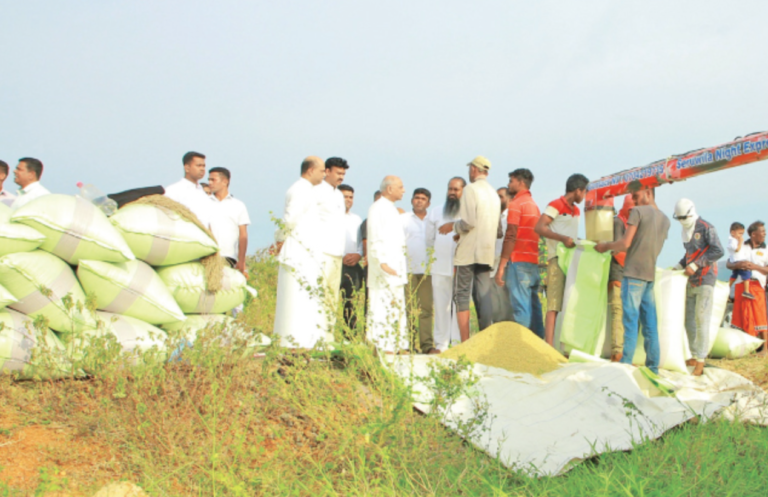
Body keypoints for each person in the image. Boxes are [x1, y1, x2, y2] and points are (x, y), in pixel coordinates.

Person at [596, 188, 670, 375]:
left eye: (636, 196)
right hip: (649, 275)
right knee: (650, 325)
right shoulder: (665, 219)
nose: (635, 202)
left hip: (632, 274)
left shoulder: (638, 212)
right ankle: (653, 368)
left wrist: (605, 246)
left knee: (629, 323)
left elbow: (625, 243)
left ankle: (625, 367)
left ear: (647, 192)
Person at [273, 156, 327, 348]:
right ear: (310, 170)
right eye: (322, 170)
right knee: (295, 296)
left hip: (307, 251)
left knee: (306, 296)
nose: (324, 174)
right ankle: (291, 340)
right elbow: (289, 219)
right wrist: (279, 239)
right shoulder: (299, 189)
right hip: (297, 251)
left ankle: (305, 339)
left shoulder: (308, 190)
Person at [534, 174, 589, 346]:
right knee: (553, 304)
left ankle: (564, 346)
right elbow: (539, 227)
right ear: (578, 190)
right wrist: (563, 238)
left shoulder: (577, 211)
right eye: (584, 191)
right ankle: (548, 345)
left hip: (572, 261)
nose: (585, 196)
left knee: (569, 304)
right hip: (556, 259)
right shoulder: (555, 205)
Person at [672, 198, 724, 376]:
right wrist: (680, 266)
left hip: (705, 279)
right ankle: (694, 354)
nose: (682, 221)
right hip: (691, 281)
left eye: (683, 217)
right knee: (689, 319)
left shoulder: (705, 227)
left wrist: (696, 265)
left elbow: (718, 250)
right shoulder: (685, 231)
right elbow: (689, 254)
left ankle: (701, 360)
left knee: (702, 320)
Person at [453, 156, 501, 341]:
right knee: (484, 295)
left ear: (474, 169)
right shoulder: (494, 194)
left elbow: (468, 222)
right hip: (486, 251)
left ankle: (466, 343)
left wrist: (454, 227)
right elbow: (498, 230)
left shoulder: (470, 189)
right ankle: (484, 341)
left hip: (469, 251)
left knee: (462, 295)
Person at [495, 169, 544, 338]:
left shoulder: (516, 204)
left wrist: (501, 265)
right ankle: (540, 346)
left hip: (518, 261)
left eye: (511, 181)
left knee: (520, 308)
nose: (509, 184)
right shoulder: (534, 205)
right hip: (532, 261)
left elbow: (511, 235)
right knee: (534, 307)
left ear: (520, 182)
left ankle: (522, 350)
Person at [367, 175, 409, 353]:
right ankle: (381, 345)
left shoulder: (391, 209)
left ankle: (397, 344)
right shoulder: (377, 208)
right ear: (390, 189)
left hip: (396, 267)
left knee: (396, 306)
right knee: (381, 306)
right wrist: (381, 263)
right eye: (400, 187)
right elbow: (375, 237)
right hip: (384, 268)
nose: (403, 190)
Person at [426, 178, 465, 352]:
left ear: (463, 191)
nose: (452, 192)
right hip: (439, 266)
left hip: (461, 266)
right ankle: (441, 344)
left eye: (456, 189)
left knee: (459, 306)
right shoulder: (435, 212)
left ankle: (457, 344)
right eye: (450, 189)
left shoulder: (468, 212)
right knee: (441, 306)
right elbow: (429, 239)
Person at [315, 157, 349, 324]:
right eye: (338, 173)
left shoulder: (338, 195)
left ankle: (326, 336)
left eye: (343, 174)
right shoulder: (317, 191)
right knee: (318, 294)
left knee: (332, 296)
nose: (341, 177)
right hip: (321, 251)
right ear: (326, 171)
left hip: (337, 252)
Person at [402, 188, 435, 353]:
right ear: (411, 200)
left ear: (428, 202)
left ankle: (427, 345)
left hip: (428, 270)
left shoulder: (433, 219)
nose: (419, 201)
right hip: (407, 269)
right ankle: (407, 344)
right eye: (416, 198)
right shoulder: (404, 219)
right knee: (407, 308)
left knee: (426, 309)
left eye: (423, 199)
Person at [728, 221, 768, 353]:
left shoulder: (765, 249)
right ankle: (746, 348)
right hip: (742, 284)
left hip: (757, 284)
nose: (764, 233)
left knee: (759, 314)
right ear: (753, 234)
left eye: (764, 231)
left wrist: (754, 266)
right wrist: (737, 266)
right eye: (762, 231)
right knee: (743, 315)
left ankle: (765, 349)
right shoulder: (741, 245)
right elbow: (729, 263)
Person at [207, 167, 250, 275]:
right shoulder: (205, 203)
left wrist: (242, 260)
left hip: (229, 256)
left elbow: (243, 235)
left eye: (213, 180)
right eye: (209, 180)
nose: (209, 183)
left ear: (225, 182)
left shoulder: (238, 205)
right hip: (208, 255)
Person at [608, 195, 635, 362]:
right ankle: (617, 352)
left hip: (629, 274)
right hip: (618, 273)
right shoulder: (618, 222)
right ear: (625, 207)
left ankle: (624, 351)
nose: (633, 212)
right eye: (630, 209)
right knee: (618, 311)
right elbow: (617, 250)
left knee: (627, 313)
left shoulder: (632, 224)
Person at [338, 184, 364, 332]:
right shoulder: (330, 218)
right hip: (335, 263)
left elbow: (361, 241)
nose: (348, 200)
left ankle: (350, 335)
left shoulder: (356, 219)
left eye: (350, 197)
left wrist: (358, 254)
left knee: (351, 301)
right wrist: (341, 257)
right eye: (344, 196)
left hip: (353, 265)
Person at [164, 151, 213, 228]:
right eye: (198, 165)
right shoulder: (174, 191)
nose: (202, 169)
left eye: (204, 166)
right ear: (187, 168)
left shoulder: (203, 192)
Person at [490, 187, 514, 322]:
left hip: (506, 263)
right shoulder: (494, 216)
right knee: (495, 305)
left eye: (501, 197)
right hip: (492, 263)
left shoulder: (510, 217)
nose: (497, 200)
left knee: (506, 304)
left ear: (509, 199)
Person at [728, 222, 755, 300]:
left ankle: (727, 287)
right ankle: (746, 291)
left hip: (735, 261)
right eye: (739, 233)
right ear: (733, 232)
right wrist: (740, 242)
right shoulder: (732, 241)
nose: (741, 236)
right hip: (738, 261)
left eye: (742, 234)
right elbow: (737, 249)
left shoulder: (733, 240)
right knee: (747, 273)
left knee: (734, 275)